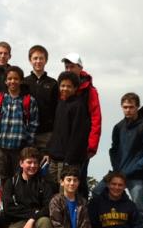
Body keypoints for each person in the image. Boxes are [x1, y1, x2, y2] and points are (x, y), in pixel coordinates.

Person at [108, 93, 143, 228]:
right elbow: (113, 150)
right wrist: (116, 170)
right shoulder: (118, 127)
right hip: (119, 174)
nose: (128, 110)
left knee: (139, 210)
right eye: (125, 107)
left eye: (131, 107)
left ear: (137, 107)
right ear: (122, 107)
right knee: (102, 196)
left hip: (138, 177)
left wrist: (133, 169)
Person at [0, 65, 39, 183]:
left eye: (15, 78)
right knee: (3, 179)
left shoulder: (29, 100)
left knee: (19, 178)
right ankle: (5, 201)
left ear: (21, 80)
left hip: (20, 147)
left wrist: (28, 143)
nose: (12, 81)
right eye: (9, 79)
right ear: (5, 81)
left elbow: (33, 123)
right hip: (1, 147)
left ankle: (19, 201)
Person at [0, 147, 56, 228]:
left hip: (39, 222)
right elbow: (8, 208)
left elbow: (48, 207)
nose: (33, 166)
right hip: (20, 223)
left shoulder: (44, 182)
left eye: (35, 163)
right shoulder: (11, 182)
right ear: (21, 163)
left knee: (45, 221)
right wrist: (32, 214)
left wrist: (33, 219)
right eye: (29, 162)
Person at [61, 53, 101, 197]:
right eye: (66, 66)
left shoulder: (89, 90)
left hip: (82, 146)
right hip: (64, 145)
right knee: (64, 182)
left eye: (72, 66)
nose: (69, 69)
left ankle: (82, 216)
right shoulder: (63, 87)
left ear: (80, 67)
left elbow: (96, 118)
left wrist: (92, 146)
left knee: (80, 181)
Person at [46, 71, 91, 196]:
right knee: (51, 193)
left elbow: (78, 136)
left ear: (75, 88)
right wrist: (48, 151)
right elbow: (56, 131)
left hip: (68, 160)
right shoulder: (61, 104)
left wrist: (69, 160)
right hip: (54, 158)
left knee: (65, 195)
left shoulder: (78, 106)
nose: (65, 88)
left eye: (69, 86)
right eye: (62, 85)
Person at [24, 45, 59, 156]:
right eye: (35, 58)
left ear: (46, 60)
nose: (38, 61)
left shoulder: (53, 83)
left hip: (47, 134)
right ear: (30, 60)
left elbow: (57, 110)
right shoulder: (24, 83)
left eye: (41, 58)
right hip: (27, 133)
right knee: (29, 166)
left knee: (45, 169)